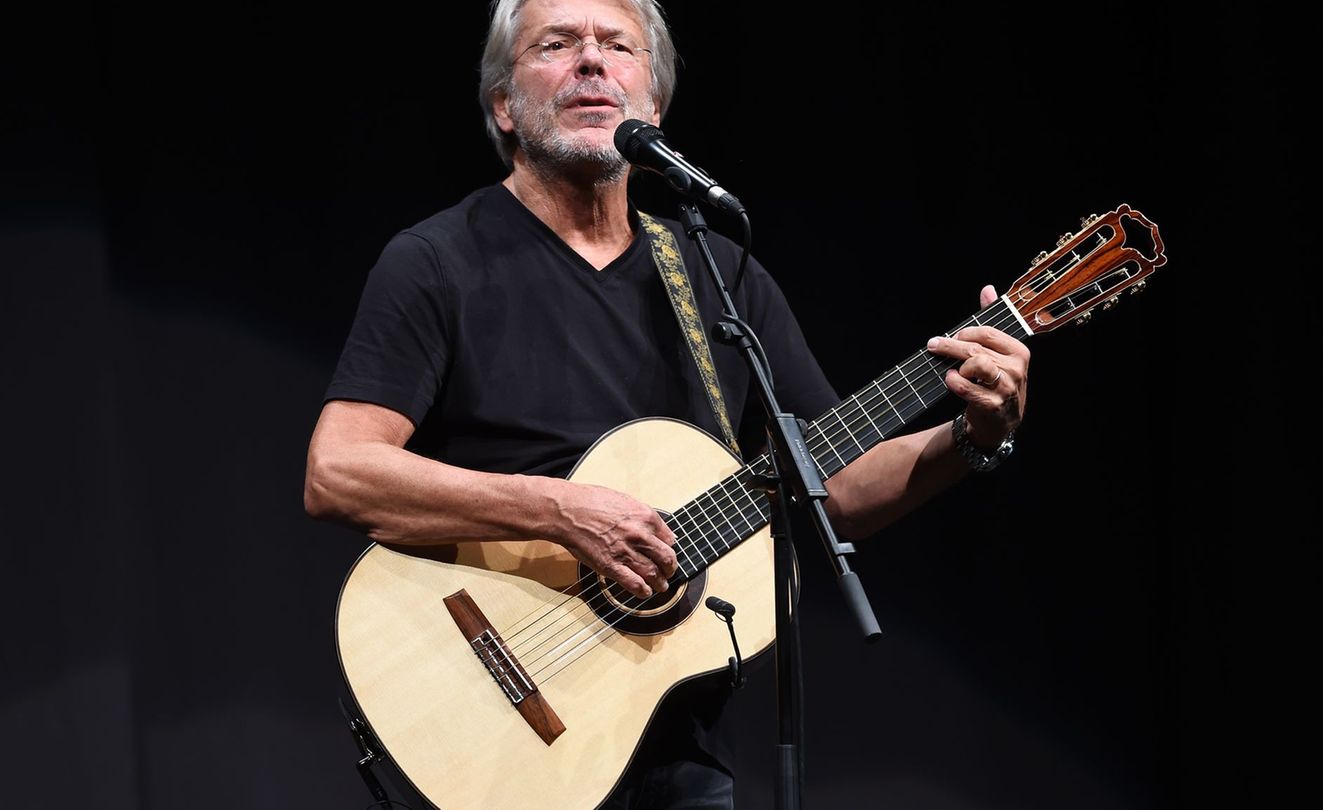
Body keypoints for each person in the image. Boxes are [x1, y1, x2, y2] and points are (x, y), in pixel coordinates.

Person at [303, 0, 1030, 807]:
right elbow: (339, 474)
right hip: (495, 720)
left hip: (672, 744)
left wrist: (971, 436)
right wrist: (557, 511)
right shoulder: (436, 262)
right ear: (503, 105)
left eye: (617, 45)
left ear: (652, 105)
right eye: (556, 43)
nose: (591, 61)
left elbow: (839, 486)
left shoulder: (717, 275)